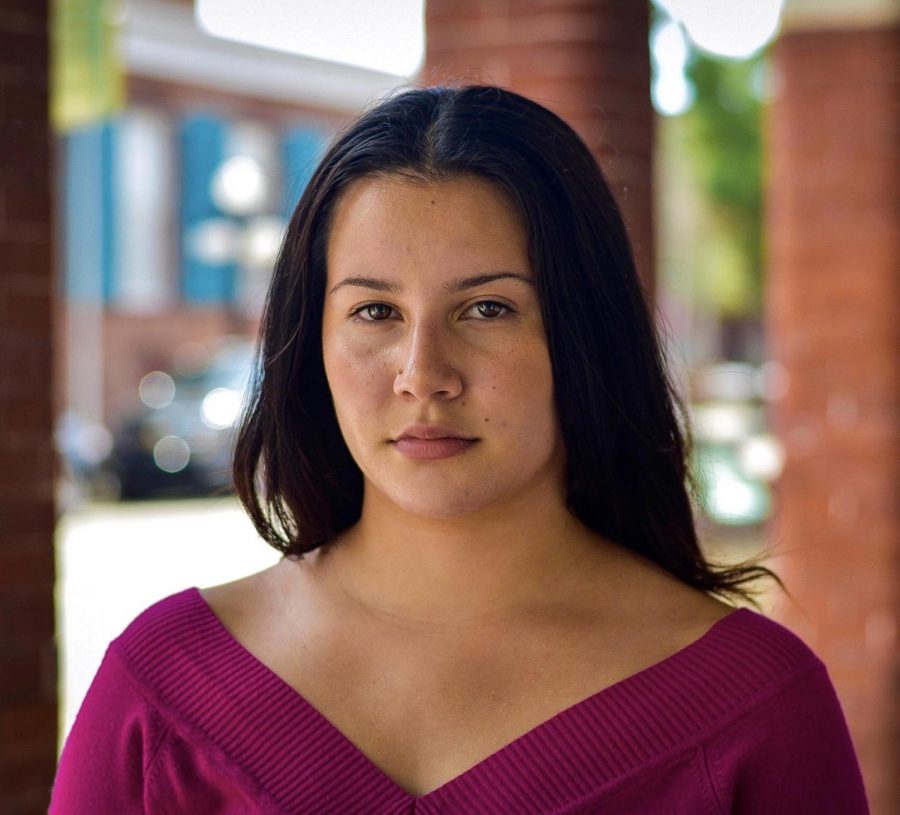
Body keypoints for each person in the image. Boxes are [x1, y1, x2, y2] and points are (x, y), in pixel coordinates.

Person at [50, 85, 869, 814]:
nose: (423, 374)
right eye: (375, 313)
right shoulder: (163, 693)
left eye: (487, 309)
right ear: (312, 345)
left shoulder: (754, 704)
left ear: (585, 335)